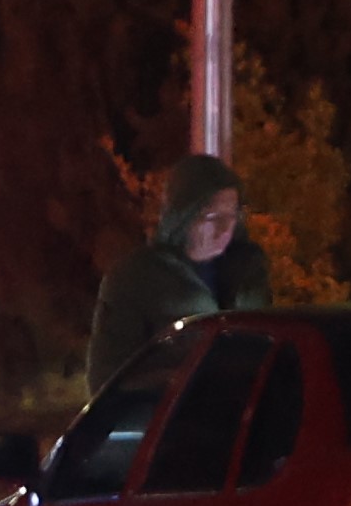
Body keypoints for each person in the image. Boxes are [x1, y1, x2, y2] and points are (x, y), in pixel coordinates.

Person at [87, 155, 268, 391]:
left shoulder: (248, 272)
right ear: (183, 216)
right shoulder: (135, 278)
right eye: (213, 217)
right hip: (172, 421)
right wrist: (184, 379)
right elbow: (108, 379)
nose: (225, 229)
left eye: (231, 216)